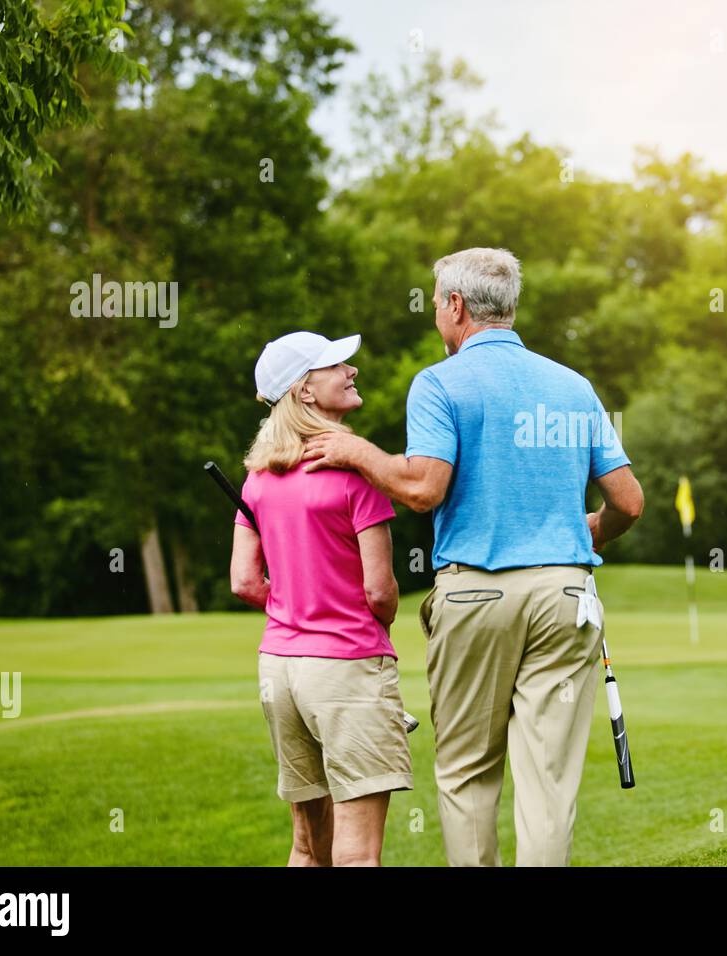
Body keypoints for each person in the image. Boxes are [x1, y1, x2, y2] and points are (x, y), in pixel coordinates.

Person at [302, 248, 644, 866]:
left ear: (456, 306)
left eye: (437, 303)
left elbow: (422, 488)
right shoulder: (572, 386)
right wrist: (587, 530)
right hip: (568, 599)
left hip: (477, 595)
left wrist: (358, 455)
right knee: (548, 781)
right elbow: (629, 501)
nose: (436, 314)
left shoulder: (440, 382)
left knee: (466, 773)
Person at [229, 330, 412, 867]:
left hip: (280, 669)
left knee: (309, 848)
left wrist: (296, 608)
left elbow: (244, 580)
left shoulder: (257, 478)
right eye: (337, 364)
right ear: (305, 391)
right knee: (356, 854)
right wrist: (371, 617)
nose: (351, 369)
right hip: (348, 665)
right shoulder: (356, 474)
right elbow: (380, 591)